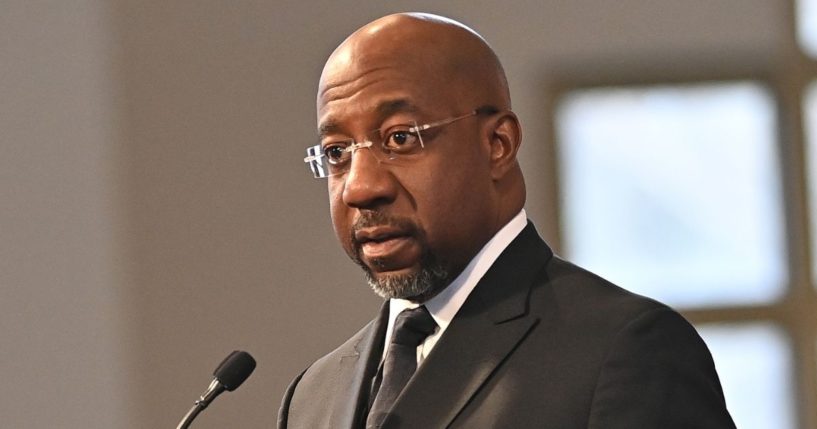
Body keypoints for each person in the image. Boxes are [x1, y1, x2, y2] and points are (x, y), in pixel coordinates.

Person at [279, 12, 736, 429]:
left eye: (400, 138)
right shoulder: (313, 396)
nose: (360, 188)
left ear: (498, 145)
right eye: (337, 152)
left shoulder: (626, 353)